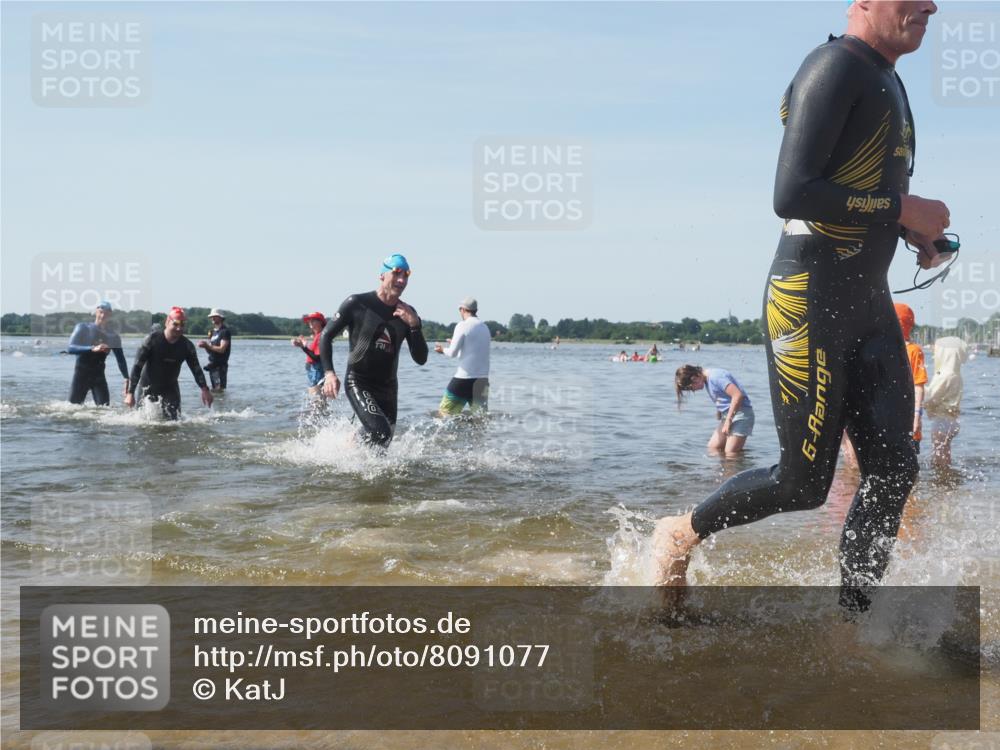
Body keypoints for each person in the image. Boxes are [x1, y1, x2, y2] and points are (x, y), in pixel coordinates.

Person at [652, 0, 951, 611]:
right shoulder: (834, 65)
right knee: (803, 483)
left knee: (895, 469)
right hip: (808, 300)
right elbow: (792, 193)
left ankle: (854, 624)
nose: (930, 5)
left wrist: (913, 231)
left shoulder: (887, 79)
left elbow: (855, 189)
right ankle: (680, 533)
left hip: (869, 302)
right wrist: (902, 209)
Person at [320, 254, 428, 448]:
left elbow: (421, 359)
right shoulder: (357, 303)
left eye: (406, 275)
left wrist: (414, 325)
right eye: (396, 274)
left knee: (382, 444)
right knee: (380, 433)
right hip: (359, 382)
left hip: (388, 387)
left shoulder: (408, 313)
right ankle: (350, 444)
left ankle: (351, 448)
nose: (401, 280)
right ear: (382, 275)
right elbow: (326, 335)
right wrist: (329, 373)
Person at [125, 307, 213, 420]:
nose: (179, 328)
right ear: (167, 322)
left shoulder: (187, 346)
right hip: (148, 387)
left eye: (182, 325)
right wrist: (130, 393)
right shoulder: (151, 341)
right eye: (175, 324)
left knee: (174, 422)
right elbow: (137, 367)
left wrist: (205, 390)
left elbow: (196, 369)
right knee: (143, 423)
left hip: (170, 389)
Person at [675, 365, 755, 455]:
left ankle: (735, 461)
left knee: (730, 454)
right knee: (713, 448)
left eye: (691, 388)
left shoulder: (716, 377)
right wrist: (719, 411)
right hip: (729, 415)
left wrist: (728, 421)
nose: (693, 390)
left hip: (741, 415)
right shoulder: (707, 380)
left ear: (695, 378)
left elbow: (737, 395)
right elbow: (722, 396)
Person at [434, 297, 491, 416]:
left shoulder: (462, 325)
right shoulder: (485, 328)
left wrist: (442, 350)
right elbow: (471, 353)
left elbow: (452, 353)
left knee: (443, 416)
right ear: (476, 310)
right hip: (482, 382)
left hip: (463, 380)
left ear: (462, 309)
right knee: (480, 420)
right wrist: (455, 345)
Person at [66, 301, 130, 406]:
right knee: (72, 408)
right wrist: (92, 348)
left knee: (105, 409)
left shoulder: (113, 336)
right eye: (101, 312)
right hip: (81, 375)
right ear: (96, 312)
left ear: (110, 315)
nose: (103, 315)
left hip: (99, 376)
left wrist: (126, 378)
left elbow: (120, 359)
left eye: (106, 313)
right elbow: (70, 348)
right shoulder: (83, 327)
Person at [924, 336, 969, 467]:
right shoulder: (955, 373)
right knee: (945, 452)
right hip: (950, 420)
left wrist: (918, 390)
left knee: (939, 456)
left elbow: (932, 398)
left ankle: (943, 475)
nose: (934, 355)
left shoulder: (945, 375)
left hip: (942, 421)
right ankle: (948, 475)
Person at [894, 302, 928, 453]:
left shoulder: (914, 351)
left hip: (907, 417)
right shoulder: (886, 349)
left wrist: (916, 416)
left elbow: (919, 386)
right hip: (887, 418)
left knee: (908, 459)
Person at [292, 312, 328, 396]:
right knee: (316, 397)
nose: (310, 322)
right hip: (313, 368)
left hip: (316, 369)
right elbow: (313, 354)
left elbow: (317, 358)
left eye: (313, 320)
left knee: (316, 397)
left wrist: (303, 347)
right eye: (309, 321)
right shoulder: (317, 335)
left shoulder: (321, 336)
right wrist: (304, 344)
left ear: (321, 322)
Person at [198, 308, 231, 392]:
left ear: (221, 318)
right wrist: (205, 346)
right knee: (215, 390)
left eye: (215, 316)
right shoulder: (212, 332)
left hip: (220, 365)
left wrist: (207, 346)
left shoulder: (225, 331)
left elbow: (222, 349)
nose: (212, 318)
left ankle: (221, 401)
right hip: (212, 365)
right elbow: (210, 351)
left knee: (219, 389)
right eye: (212, 316)